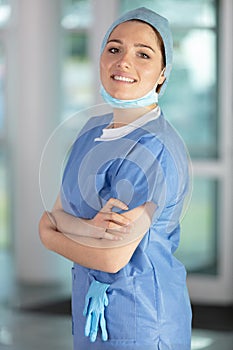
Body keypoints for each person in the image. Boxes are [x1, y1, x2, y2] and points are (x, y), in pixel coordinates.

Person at [39, 7, 192, 350]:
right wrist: (89, 229)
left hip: (143, 318)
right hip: (93, 314)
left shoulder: (155, 149)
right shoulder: (92, 131)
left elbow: (112, 257)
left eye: (143, 54)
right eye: (114, 49)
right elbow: (57, 212)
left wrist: (49, 236)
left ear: (163, 72)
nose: (124, 62)